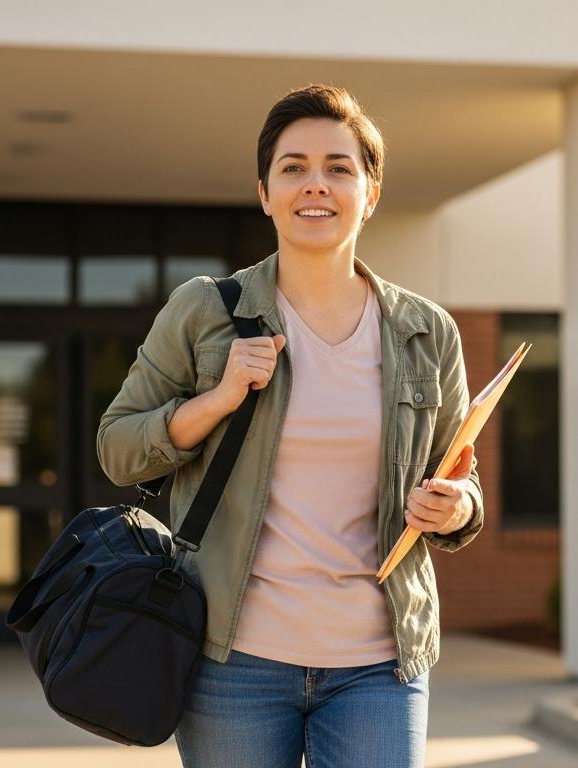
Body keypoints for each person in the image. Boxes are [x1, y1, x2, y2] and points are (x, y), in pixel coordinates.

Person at [97, 84, 484, 768]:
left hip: (379, 664)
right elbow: (118, 448)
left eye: (339, 167)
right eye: (294, 167)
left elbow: (460, 475)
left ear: (370, 193)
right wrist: (217, 399)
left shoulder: (427, 332)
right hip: (232, 662)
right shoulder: (204, 311)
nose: (316, 184)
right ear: (265, 193)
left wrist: (457, 508)